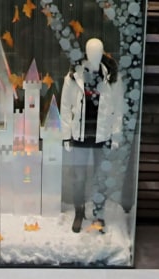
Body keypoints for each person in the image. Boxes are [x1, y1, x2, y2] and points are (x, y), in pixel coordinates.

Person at [60, 38, 123, 234]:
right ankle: (79, 212)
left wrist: (115, 135)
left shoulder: (112, 77)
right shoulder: (73, 76)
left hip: (102, 136)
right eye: (91, 51)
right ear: (86, 53)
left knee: (100, 177)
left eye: (98, 51)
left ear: (103, 52)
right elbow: (65, 107)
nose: (94, 55)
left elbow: (118, 109)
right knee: (79, 177)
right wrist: (65, 136)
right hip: (79, 136)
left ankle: (98, 214)